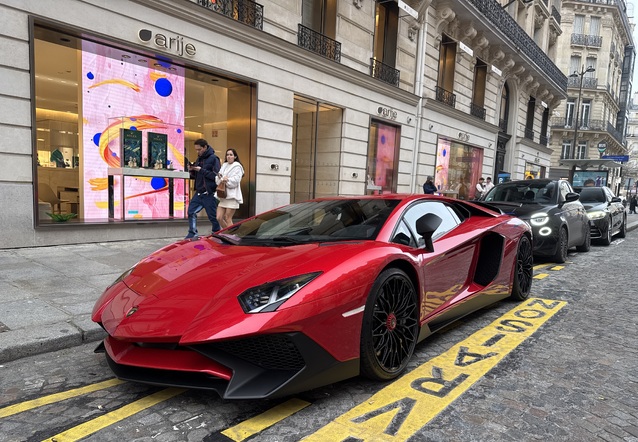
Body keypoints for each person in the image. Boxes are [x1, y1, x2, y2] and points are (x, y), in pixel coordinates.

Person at [185, 139, 221, 239]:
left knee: (213, 216)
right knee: (191, 212)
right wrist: (192, 171)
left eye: (199, 149)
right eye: (196, 150)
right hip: (199, 192)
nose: (197, 152)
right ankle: (192, 233)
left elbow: (216, 176)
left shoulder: (214, 159)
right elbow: (197, 176)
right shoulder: (198, 159)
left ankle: (217, 233)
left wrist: (201, 170)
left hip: (209, 193)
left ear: (205, 147)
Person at [216, 148, 245, 229]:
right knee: (219, 217)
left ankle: (230, 236)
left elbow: (236, 181)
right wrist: (222, 179)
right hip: (223, 195)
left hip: (232, 196)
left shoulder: (237, 167)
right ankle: (228, 233)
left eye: (231, 155)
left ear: (235, 156)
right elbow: (218, 178)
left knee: (228, 218)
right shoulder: (224, 165)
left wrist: (227, 180)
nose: (228, 156)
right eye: (227, 154)